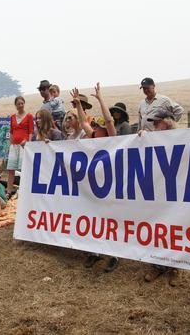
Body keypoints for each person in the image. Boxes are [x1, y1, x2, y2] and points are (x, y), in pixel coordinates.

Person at [71, 83, 118, 273]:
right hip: (93, 186)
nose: (96, 128)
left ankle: (114, 255)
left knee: (111, 220)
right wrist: (78, 105)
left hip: (111, 187)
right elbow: (83, 122)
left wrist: (100, 99)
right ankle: (95, 253)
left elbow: (109, 121)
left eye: (99, 126)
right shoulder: (92, 137)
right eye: (96, 126)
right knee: (94, 218)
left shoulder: (112, 139)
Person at [139, 111, 180, 284]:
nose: (154, 126)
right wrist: (142, 138)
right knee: (158, 225)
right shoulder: (152, 139)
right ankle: (158, 264)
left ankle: (175, 266)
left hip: (175, 189)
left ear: (168, 122)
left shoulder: (181, 138)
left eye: (157, 123)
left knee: (176, 225)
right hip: (157, 189)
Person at [7, 96, 34, 196]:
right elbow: (11, 132)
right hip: (14, 146)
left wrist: (29, 144)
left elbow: (31, 131)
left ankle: (25, 191)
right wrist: (10, 145)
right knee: (11, 168)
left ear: (24, 104)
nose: (21, 105)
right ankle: (8, 191)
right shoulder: (12, 117)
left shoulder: (29, 116)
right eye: (18, 103)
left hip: (24, 145)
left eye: (22, 103)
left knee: (24, 168)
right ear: (16, 105)